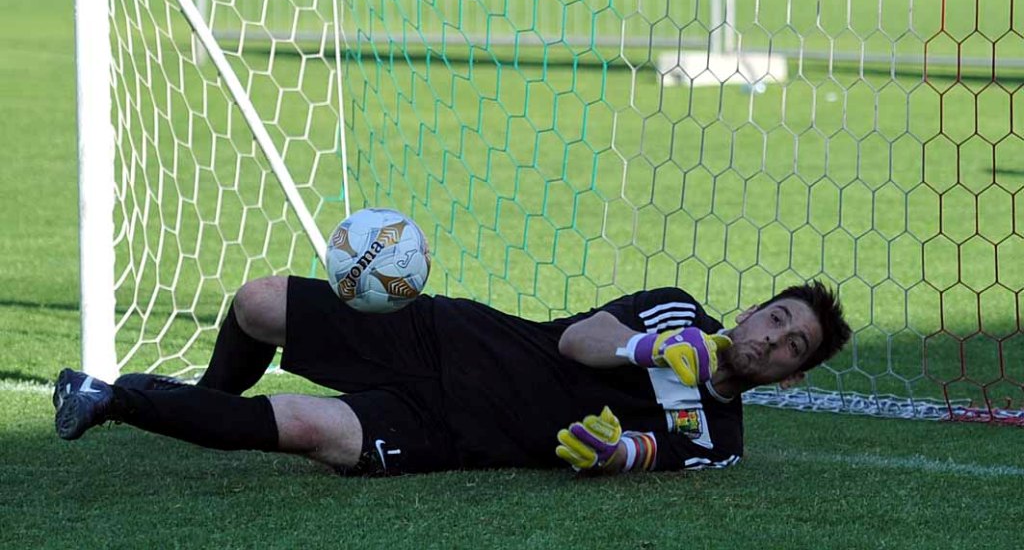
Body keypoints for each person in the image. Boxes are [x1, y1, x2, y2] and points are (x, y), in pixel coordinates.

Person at [53, 275, 850, 475]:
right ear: (752, 310)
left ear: (790, 377)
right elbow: (583, 340)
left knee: (309, 429)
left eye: (794, 346)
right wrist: (647, 352)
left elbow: (646, 455)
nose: (774, 339)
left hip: (457, 432)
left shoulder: (719, 439)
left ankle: (107, 399)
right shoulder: (677, 313)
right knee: (260, 304)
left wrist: (610, 453)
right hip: (449, 339)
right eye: (776, 318)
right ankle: (202, 400)